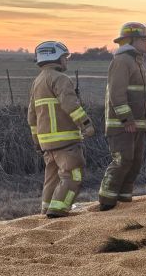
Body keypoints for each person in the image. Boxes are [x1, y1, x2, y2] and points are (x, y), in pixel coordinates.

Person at [27, 41, 95, 218]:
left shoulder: (37, 82)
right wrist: (86, 124)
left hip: (46, 144)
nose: (66, 60)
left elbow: (31, 116)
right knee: (73, 175)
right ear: (55, 58)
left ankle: (46, 210)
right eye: (65, 57)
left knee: (52, 178)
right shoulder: (61, 79)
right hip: (66, 141)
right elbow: (70, 104)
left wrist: (36, 141)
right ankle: (59, 210)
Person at [98, 22, 146, 211]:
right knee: (123, 160)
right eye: (143, 39)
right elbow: (117, 93)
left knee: (135, 163)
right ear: (132, 40)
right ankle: (106, 202)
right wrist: (126, 119)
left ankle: (124, 202)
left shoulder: (138, 62)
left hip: (137, 125)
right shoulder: (122, 61)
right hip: (122, 125)